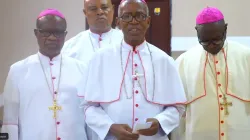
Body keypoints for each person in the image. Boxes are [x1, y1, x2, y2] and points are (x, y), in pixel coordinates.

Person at [81, 0, 187, 140]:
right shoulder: (100, 59)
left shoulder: (164, 61)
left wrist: (161, 122)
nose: (134, 21)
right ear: (118, 22)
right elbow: (89, 107)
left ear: (148, 21)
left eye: (140, 16)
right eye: (127, 16)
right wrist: (110, 127)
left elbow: (177, 106)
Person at [1, 9, 88, 140]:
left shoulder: (82, 69)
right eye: (46, 32)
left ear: (65, 35)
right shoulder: (17, 71)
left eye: (58, 33)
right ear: (36, 33)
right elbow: (10, 122)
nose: (52, 37)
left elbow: (89, 115)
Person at [175, 6, 250, 140]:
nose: (211, 45)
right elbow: (178, 111)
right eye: (204, 41)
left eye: (216, 40)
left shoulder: (246, 57)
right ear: (197, 32)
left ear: (225, 30)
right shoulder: (183, 62)